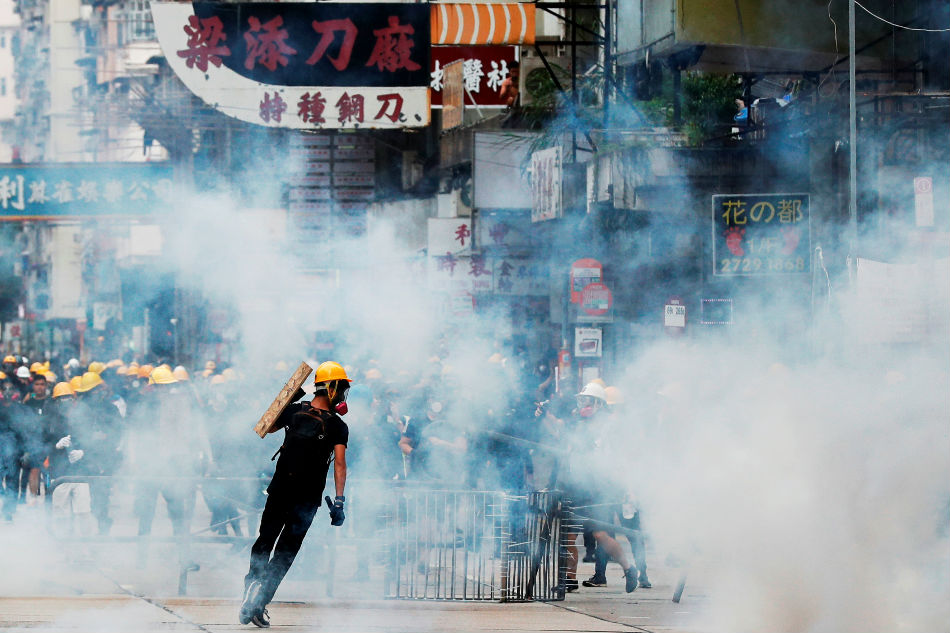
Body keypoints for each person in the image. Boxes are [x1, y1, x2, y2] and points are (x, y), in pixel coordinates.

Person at [240, 361, 351, 628]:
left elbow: (266, 426)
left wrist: (292, 396)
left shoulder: (292, 412)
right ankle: (260, 600)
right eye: (343, 388)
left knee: (265, 540)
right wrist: (339, 501)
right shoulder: (337, 426)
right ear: (333, 388)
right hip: (307, 498)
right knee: (285, 552)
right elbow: (339, 464)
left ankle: (252, 586)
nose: (344, 395)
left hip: (279, 489)